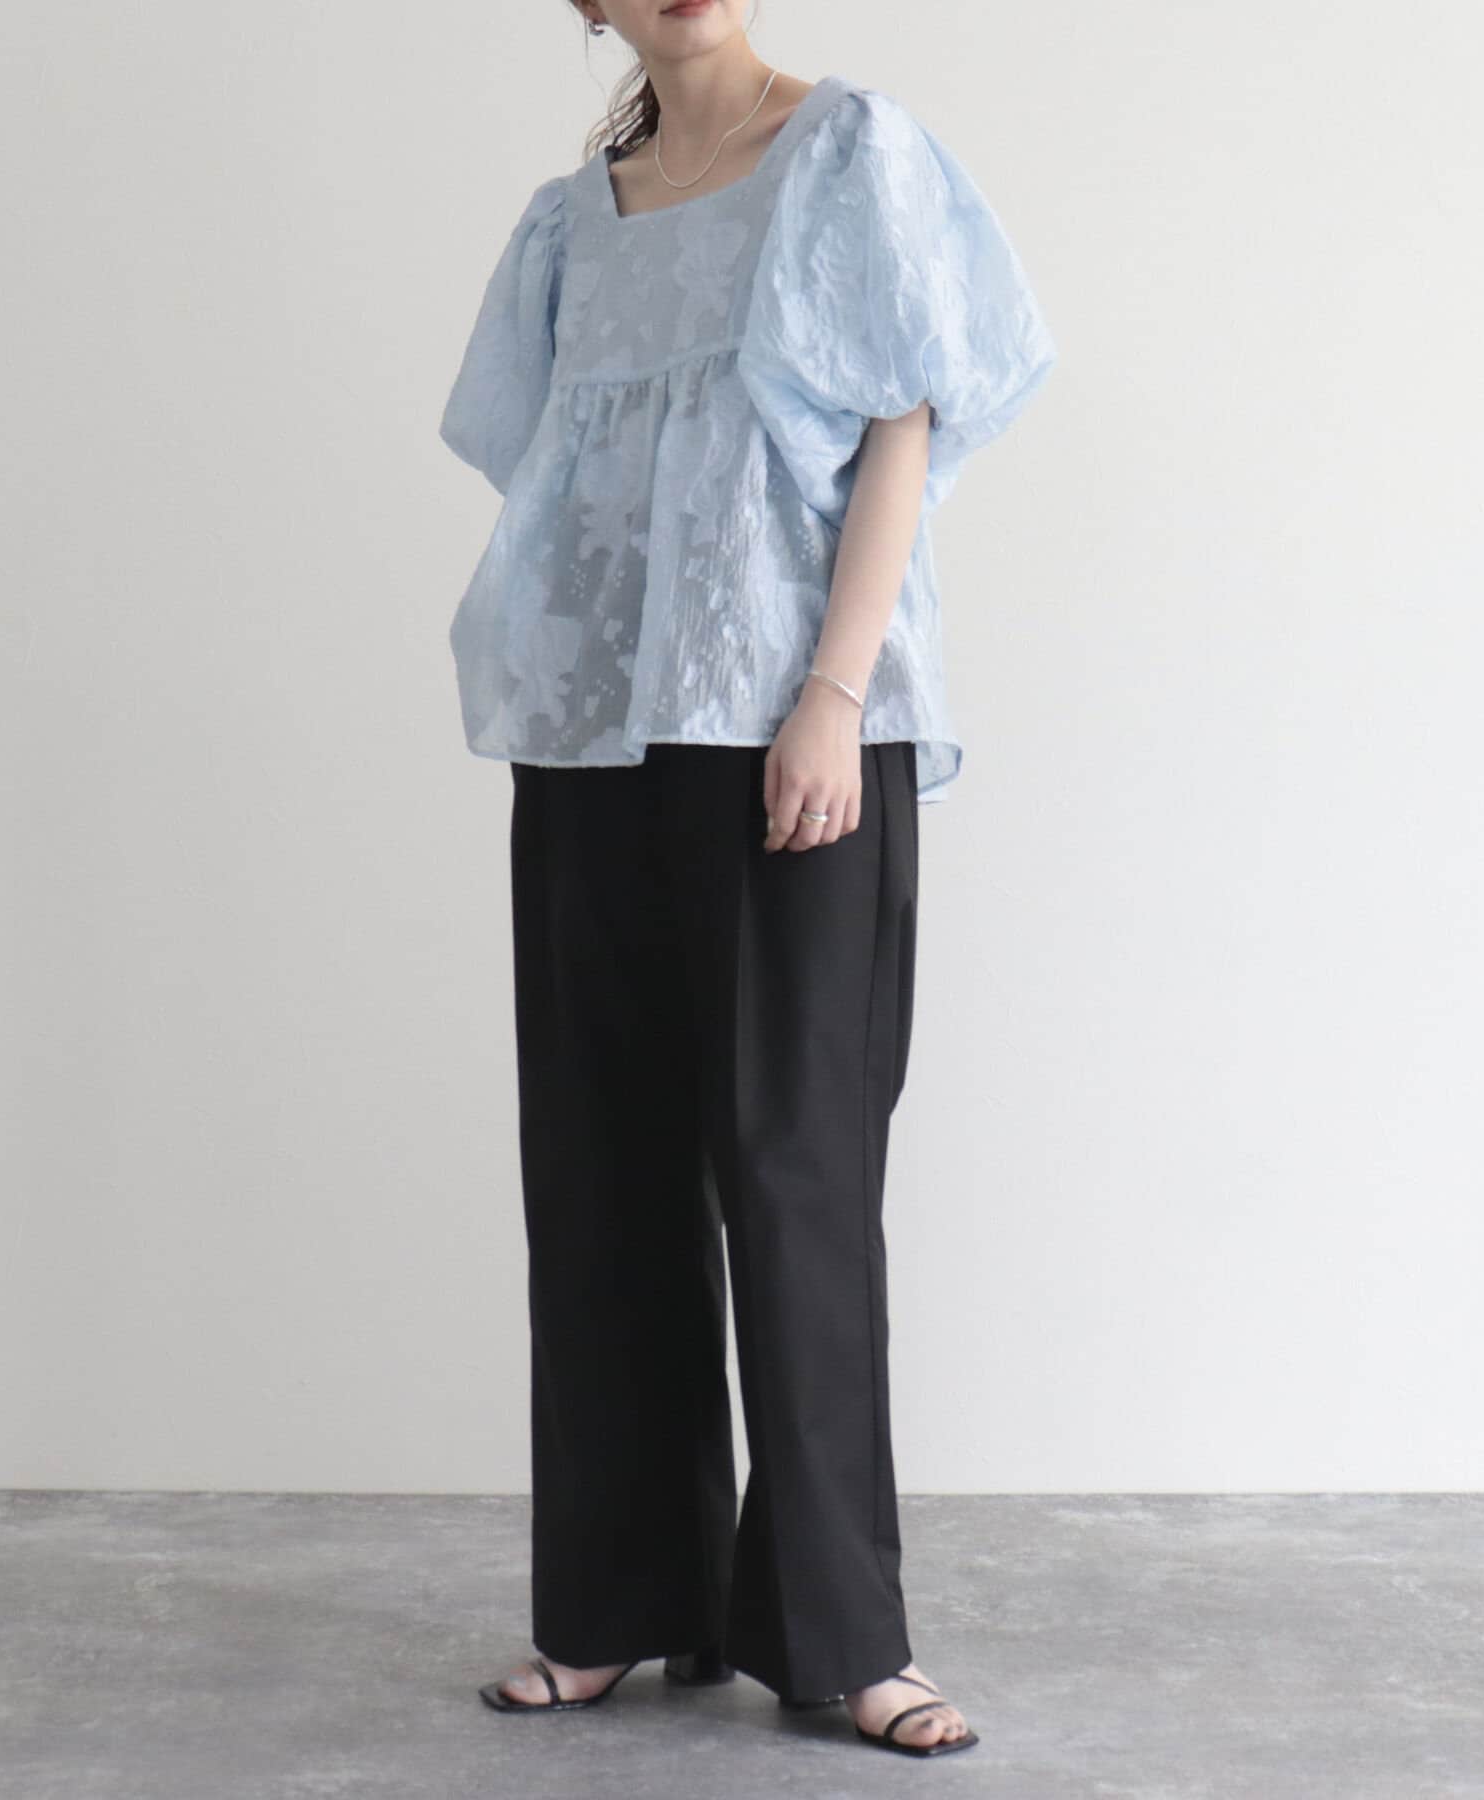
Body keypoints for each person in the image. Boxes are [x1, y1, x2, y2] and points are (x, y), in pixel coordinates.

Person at [437, 0, 1057, 1761]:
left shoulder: (851, 154)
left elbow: (903, 428)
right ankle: (614, 1603)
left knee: (796, 1172)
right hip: (591, 731)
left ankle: (846, 1637)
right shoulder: (570, 224)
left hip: (793, 727)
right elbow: (561, 477)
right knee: (601, 1164)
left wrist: (834, 696)